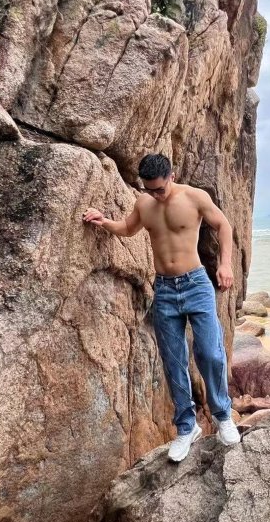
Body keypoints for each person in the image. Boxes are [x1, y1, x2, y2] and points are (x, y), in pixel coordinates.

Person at [82, 153, 241, 462]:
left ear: (172, 176)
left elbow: (223, 225)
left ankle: (223, 416)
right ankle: (187, 427)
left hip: (196, 284)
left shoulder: (194, 197)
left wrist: (225, 264)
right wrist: (103, 221)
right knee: (173, 361)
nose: (155, 194)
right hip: (165, 289)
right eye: (149, 189)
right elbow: (128, 228)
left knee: (210, 352)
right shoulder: (144, 203)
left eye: (159, 189)